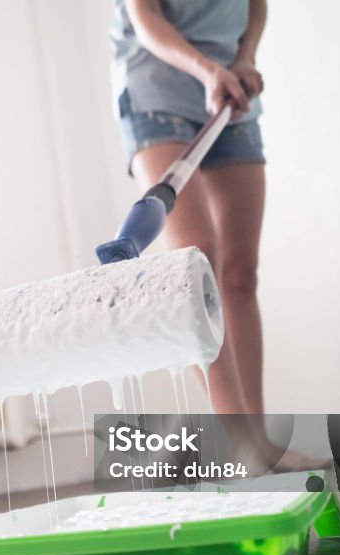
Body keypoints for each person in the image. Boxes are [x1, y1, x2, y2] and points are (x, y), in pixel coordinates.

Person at [112, 0, 267, 416]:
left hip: (231, 90)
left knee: (240, 273)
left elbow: (255, 6)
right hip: (156, 90)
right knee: (196, 259)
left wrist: (244, 57)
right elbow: (144, 15)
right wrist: (206, 71)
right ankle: (239, 440)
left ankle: (260, 439)